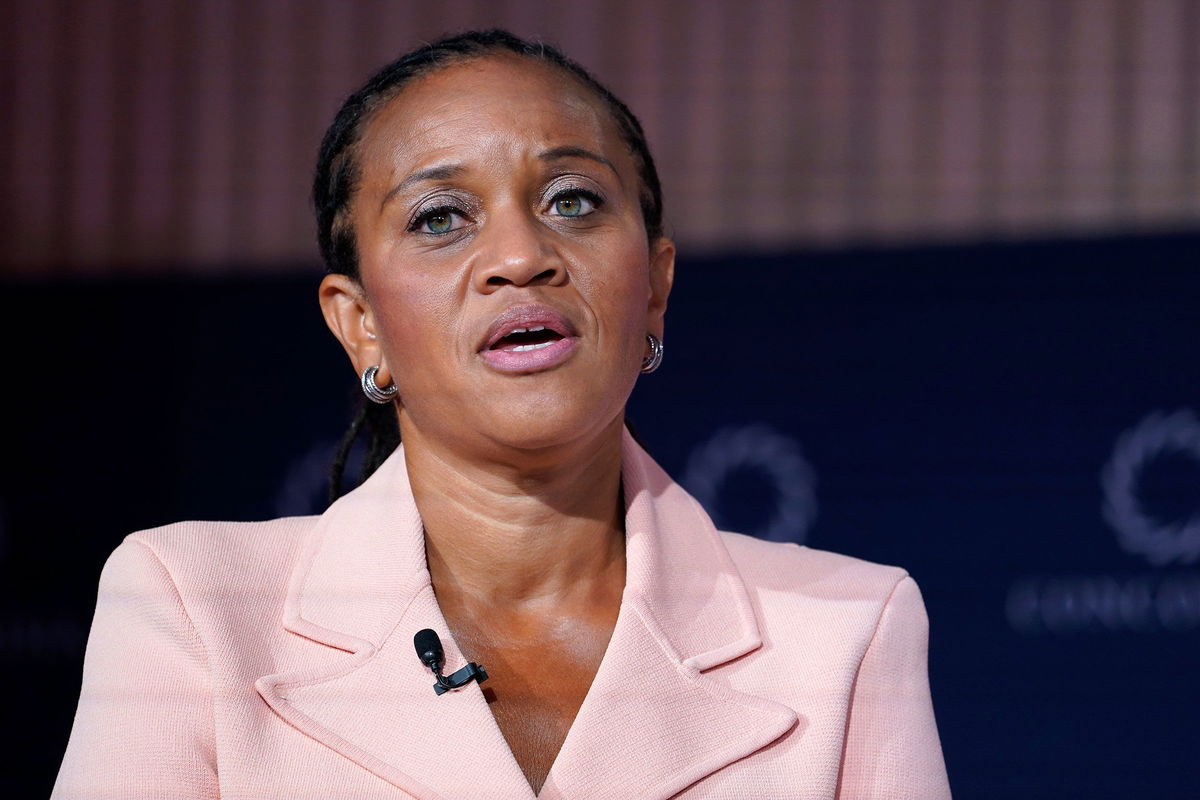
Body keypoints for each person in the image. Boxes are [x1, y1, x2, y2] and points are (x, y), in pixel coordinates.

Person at [53, 30, 951, 799]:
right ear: (360, 324)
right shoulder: (195, 606)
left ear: (655, 291)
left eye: (573, 201)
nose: (520, 255)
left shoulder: (846, 630)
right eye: (442, 217)